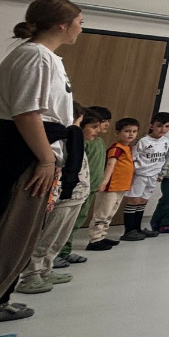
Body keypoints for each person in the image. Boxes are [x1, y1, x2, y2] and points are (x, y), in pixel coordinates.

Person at [0, 0, 83, 337]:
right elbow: (26, 113)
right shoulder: (35, 57)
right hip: (21, 159)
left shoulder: (47, 58)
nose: (81, 28)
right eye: (79, 21)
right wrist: (46, 159)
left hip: (33, 156)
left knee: (14, 248)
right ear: (62, 24)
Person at [16, 103, 93, 294]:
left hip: (77, 196)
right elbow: (57, 169)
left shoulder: (75, 139)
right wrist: (54, 196)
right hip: (61, 198)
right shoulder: (58, 138)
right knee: (45, 238)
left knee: (58, 239)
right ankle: (31, 275)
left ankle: (46, 269)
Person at [57, 105, 111, 265]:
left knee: (77, 221)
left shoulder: (97, 142)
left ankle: (64, 251)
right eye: (95, 126)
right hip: (73, 190)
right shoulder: (77, 143)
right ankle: (55, 253)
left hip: (89, 188)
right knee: (65, 222)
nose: (100, 129)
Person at [85, 118, 137, 251]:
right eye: (127, 131)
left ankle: (102, 236)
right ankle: (95, 239)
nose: (131, 134)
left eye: (134, 131)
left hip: (121, 186)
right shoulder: (116, 149)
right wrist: (104, 182)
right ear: (117, 133)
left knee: (110, 213)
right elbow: (110, 164)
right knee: (102, 213)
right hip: (111, 187)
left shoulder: (128, 148)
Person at [121, 112, 169, 242]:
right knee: (134, 200)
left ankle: (137, 229)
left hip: (153, 176)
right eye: (159, 126)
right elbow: (133, 158)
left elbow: (163, 159)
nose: (162, 129)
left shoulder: (167, 141)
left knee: (143, 201)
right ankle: (129, 231)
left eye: (166, 126)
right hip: (140, 175)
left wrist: (160, 173)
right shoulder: (143, 141)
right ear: (151, 126)